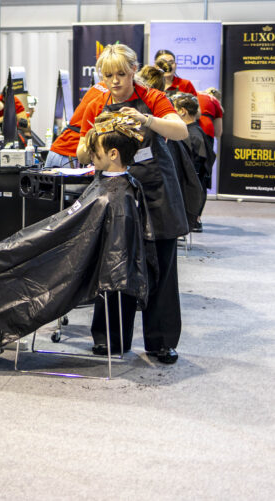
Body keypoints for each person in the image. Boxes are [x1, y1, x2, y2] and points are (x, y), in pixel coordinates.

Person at [0, 111, 153, 359]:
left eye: (94, 150)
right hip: (63, 255)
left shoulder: (113, 197)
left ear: (113, 154)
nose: (89, 155)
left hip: (61, 265)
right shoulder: (121, 188)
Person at [77, 43, 189, 364]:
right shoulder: (96, 103)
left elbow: (180, 130)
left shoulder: (152, 98)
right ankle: (110, 338)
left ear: (133, 71)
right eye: (108, 75)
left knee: (162, 267)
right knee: (114, 264)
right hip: (117, 194)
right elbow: (82, 154)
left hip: (157, 192)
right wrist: (94, 139)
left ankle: (161, 342)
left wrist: (146, 119)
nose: (115, 81)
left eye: (121, 74)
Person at [170, 92, 216, 232]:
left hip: (187, 191)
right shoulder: (196, 133)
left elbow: (195, 170)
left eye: (174, 110)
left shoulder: (191, 136)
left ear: (182, 111)